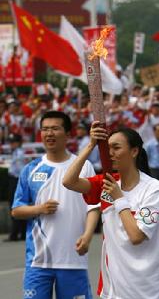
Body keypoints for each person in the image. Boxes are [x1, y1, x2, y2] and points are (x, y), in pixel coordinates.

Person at [63, 121, 159, 299]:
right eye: (107, 148)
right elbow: (69, 181)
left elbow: (136, 236)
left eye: (116, 148)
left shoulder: (153, 189)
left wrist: (119, 198)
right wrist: (91, 145)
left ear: (134, 151)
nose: (110, 154)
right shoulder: (108, 184)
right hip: (112, 290)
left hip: (146, 289)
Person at [11, 111, 100, 299]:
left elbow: (93, 207)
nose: (49, 133)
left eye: (54, 128)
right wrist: (39, 209)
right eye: (44, 129)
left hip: (73, 260)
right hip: (38, 261)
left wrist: (88, 235)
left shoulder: (83, 166)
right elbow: (16, 210)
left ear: (68, 134)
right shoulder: (31, 169)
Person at [4, 133, 27, 241]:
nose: (11, 144)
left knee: (14, 206)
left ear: (18, 143)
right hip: (15, 180)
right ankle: (21, 233)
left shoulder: (18, 153)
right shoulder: (16, 152)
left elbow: (19, 170)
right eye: (11, 142)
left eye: (13, 142)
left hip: (16, 180)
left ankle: (15, 234)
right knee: (18, 205)